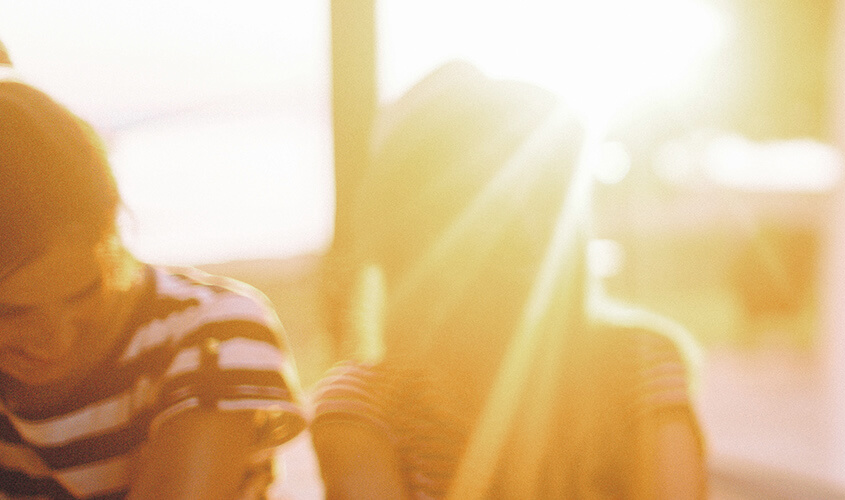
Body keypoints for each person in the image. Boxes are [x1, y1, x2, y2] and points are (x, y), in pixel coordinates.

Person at [309, 62, 706, 499]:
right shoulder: (365, 408)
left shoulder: (641, 364)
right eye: (480, 188)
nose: (523, 214)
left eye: (543, 185)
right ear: (417, 234)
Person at [0, 49, 307, 498]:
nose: (56, 339)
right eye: (12, 312)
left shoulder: (211, 335)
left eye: (85, 293)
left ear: (112, 239)